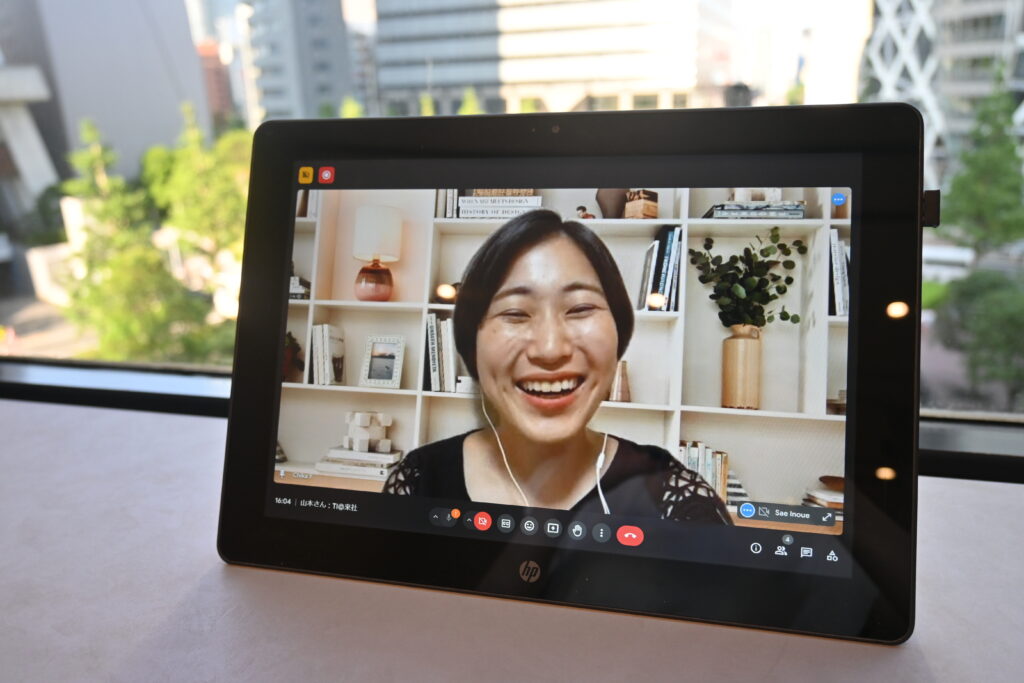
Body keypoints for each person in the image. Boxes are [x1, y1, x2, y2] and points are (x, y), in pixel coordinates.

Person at [384, 209, 730, 523]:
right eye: (515, 313)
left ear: (619, 334)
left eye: (580, 309)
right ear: (471, 343)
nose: (550, 350)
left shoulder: (675, 499)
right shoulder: (417, 481)